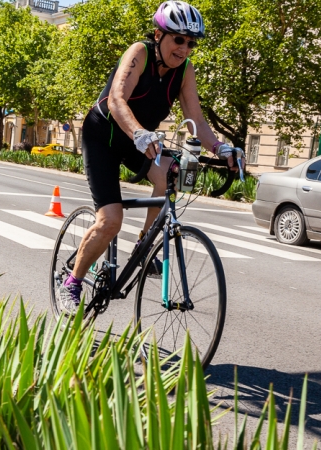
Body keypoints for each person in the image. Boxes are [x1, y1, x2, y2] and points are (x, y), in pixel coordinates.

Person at [57, 0, 243, 314]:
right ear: (159, 35)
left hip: (138, 139)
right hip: (105, 134)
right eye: (178, 39)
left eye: (190, 43)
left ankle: (144, 249)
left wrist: (221, 148)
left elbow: (195, 119)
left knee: (170, 172)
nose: (184, 49)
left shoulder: (184, 70)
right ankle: (72, 283)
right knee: (111, 221)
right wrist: (139, 132)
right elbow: (117, 99)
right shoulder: (139, 53)